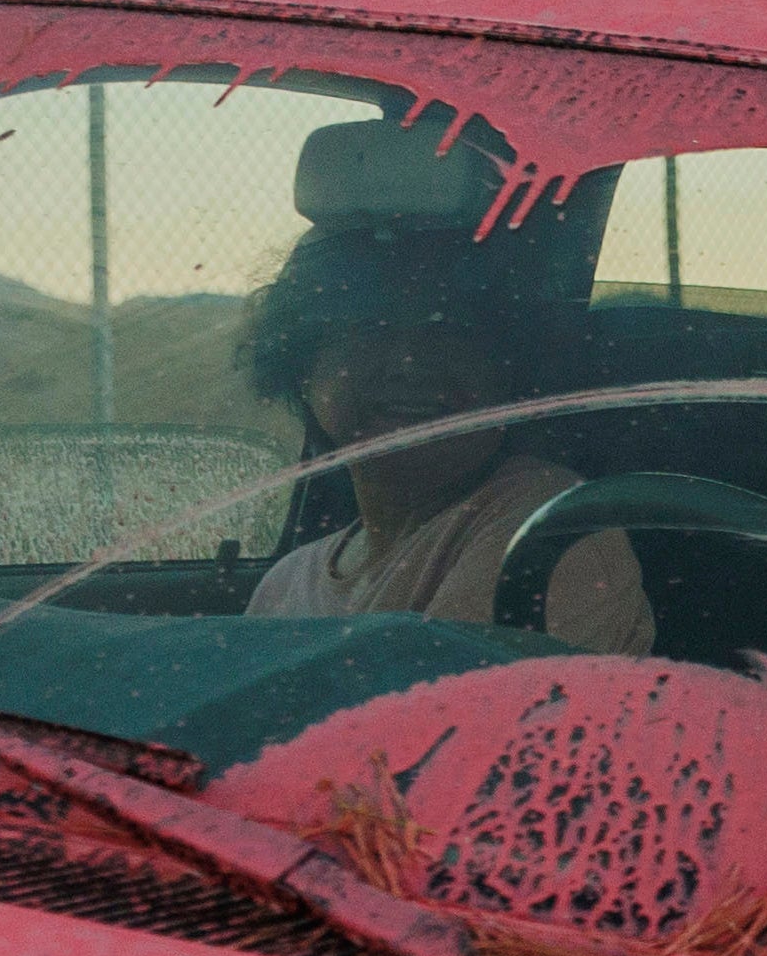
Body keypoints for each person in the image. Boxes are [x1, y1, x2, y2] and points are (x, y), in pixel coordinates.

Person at [236, 226, 655, 654]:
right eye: (369, 328)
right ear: (301, 368)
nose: (409, 362)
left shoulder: (546, 534)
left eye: (449, 329)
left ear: (507, 370)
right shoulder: (285, 585)